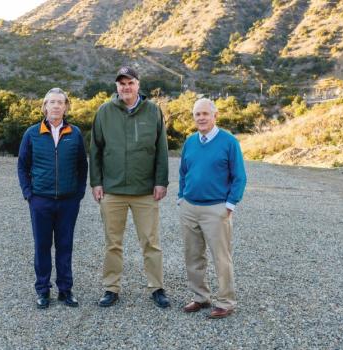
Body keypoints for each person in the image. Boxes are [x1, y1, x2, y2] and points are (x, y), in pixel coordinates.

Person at [89, 66, 170, 308]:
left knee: (150, 242)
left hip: (145, 191)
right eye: (121, 83)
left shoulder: (153, 111)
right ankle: (111, 288)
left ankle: (156, 287)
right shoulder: (104, 112)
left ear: (138, 85)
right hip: (112, 190)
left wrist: (160, 181)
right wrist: (96, 183)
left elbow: (162, 150)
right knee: (112, 243)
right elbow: (95, 150)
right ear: (116, 86)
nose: (126, 87)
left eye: (130, 82)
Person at [17, 87, 88, 309]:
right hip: (41, 201)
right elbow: (22, 166)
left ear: (66, 106)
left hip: (68, 202)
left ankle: (65, 290)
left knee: (65, 246)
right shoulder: (31, 133)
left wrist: (78, 194)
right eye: (52, 102)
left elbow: (82, 167)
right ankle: (42, 290)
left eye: (60, 102)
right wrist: (29, 194)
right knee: (42, 246)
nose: (56, 106)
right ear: (45, 107)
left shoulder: (74, 133)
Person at [178, 98, 247, 319]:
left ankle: (226, 301)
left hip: (216, 209)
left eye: (205, 114)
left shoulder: (229, 142)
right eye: (197, 114)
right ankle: (200, 297)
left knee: (221, 257)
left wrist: (230, 204)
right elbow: (183, 172)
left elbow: (239, 177)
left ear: (215, 115)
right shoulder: (190, 142)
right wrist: (181, 197)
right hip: (189, 207)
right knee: (193, 255)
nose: (201, 118)